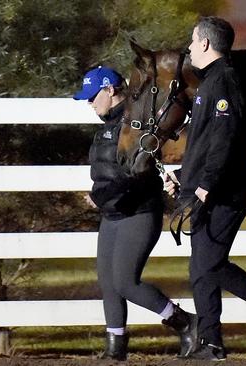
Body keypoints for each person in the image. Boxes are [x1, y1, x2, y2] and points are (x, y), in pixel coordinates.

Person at [164, 16, 246, 361]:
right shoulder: (211, 83)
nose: (190, 47)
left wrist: (205, 186)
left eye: (193, 41)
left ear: (205, 44)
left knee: (208, 264)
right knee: (200, 268)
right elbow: (205, 144)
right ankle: (211, 343)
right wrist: (183, 175)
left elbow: (226, 140)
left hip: (223, 192)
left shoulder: (224, 81)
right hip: (207, 189)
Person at [74, 66, 197, 361]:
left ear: (110, 90)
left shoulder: (132, 125)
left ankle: (186, 323)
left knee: (125, 281)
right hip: (112, 214)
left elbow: (132, 174)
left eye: (93, 97)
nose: (90, 104)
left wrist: (98, 196)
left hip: (138, 211)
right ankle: (116, 346)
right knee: (108, 282)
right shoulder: (106, 126)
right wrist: (102, 198)